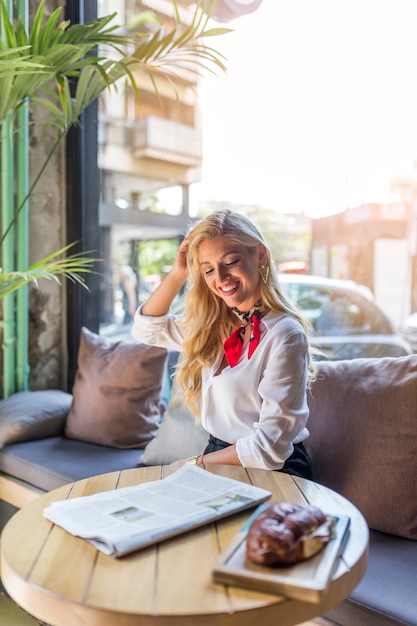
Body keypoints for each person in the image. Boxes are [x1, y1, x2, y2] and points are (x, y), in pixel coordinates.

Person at [132, 210, 316, 478]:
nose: (220, 277)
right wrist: (177, 274)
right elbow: (146, 330)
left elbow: (269, 449)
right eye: (208, 269)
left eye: (230, 261)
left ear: (260, 255)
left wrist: (192, 463)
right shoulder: (213, 327)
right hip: (219, 456)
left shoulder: (285, 334)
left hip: (276, 470)